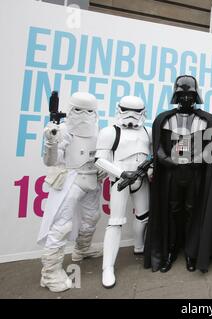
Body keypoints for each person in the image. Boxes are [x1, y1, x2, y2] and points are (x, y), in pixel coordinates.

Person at [144, 75, 212, 273]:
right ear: (175, 95)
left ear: (196, 96)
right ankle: (172, 249)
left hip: (195, 175)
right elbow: (158, 149)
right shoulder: (164, 119)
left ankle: (192, 251)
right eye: (182, 95)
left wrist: (194, 159)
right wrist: (169, 160)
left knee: (192, 211)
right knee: (172, 212)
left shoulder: (207, 120)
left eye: (190, 95)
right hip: (172, 175)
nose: (186, 99)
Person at [37, 92, 103, 292]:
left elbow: (97, 153)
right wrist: (51, 141)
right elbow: (50, 161)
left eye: (89, 111)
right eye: (79, 110)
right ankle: (49, 273)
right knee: (61, 226)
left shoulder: (96, 129)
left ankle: (82, 249)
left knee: (92, 217)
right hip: (71, 180)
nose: (84, 115)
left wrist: (102, 169)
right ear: (71, 110)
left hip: (91, 178)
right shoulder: (62, 130)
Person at [95, 96, 152, 288]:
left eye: (136, 112)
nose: (131, 116)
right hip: (120, 180)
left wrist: (149, 170)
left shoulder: (147, 131)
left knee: (144, 216)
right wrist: (121, 173)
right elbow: (100, 160)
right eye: (126, 110)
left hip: (141, 179)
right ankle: (107, 268)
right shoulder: (109, 132)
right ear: (119, 109)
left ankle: (139, 246)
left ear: (143, 113)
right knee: (115, 222)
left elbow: (152, 154)